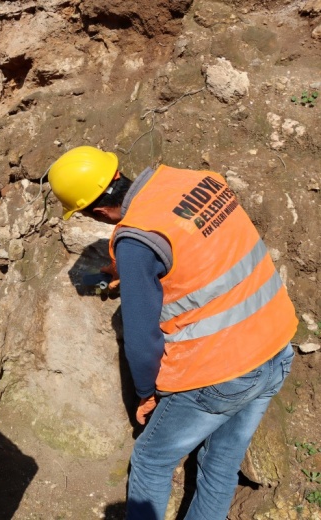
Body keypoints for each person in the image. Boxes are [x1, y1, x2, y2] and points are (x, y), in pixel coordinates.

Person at [47, 146, 297, 520]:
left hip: (223, 373)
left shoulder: (136, 242)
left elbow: (142, 339)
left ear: (97, 212)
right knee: (220, 463)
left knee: (151, 459)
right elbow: (202, 247)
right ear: (117, 174)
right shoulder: (195, 180)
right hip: (276, 346)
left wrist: (147, 394)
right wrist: (138, 268)